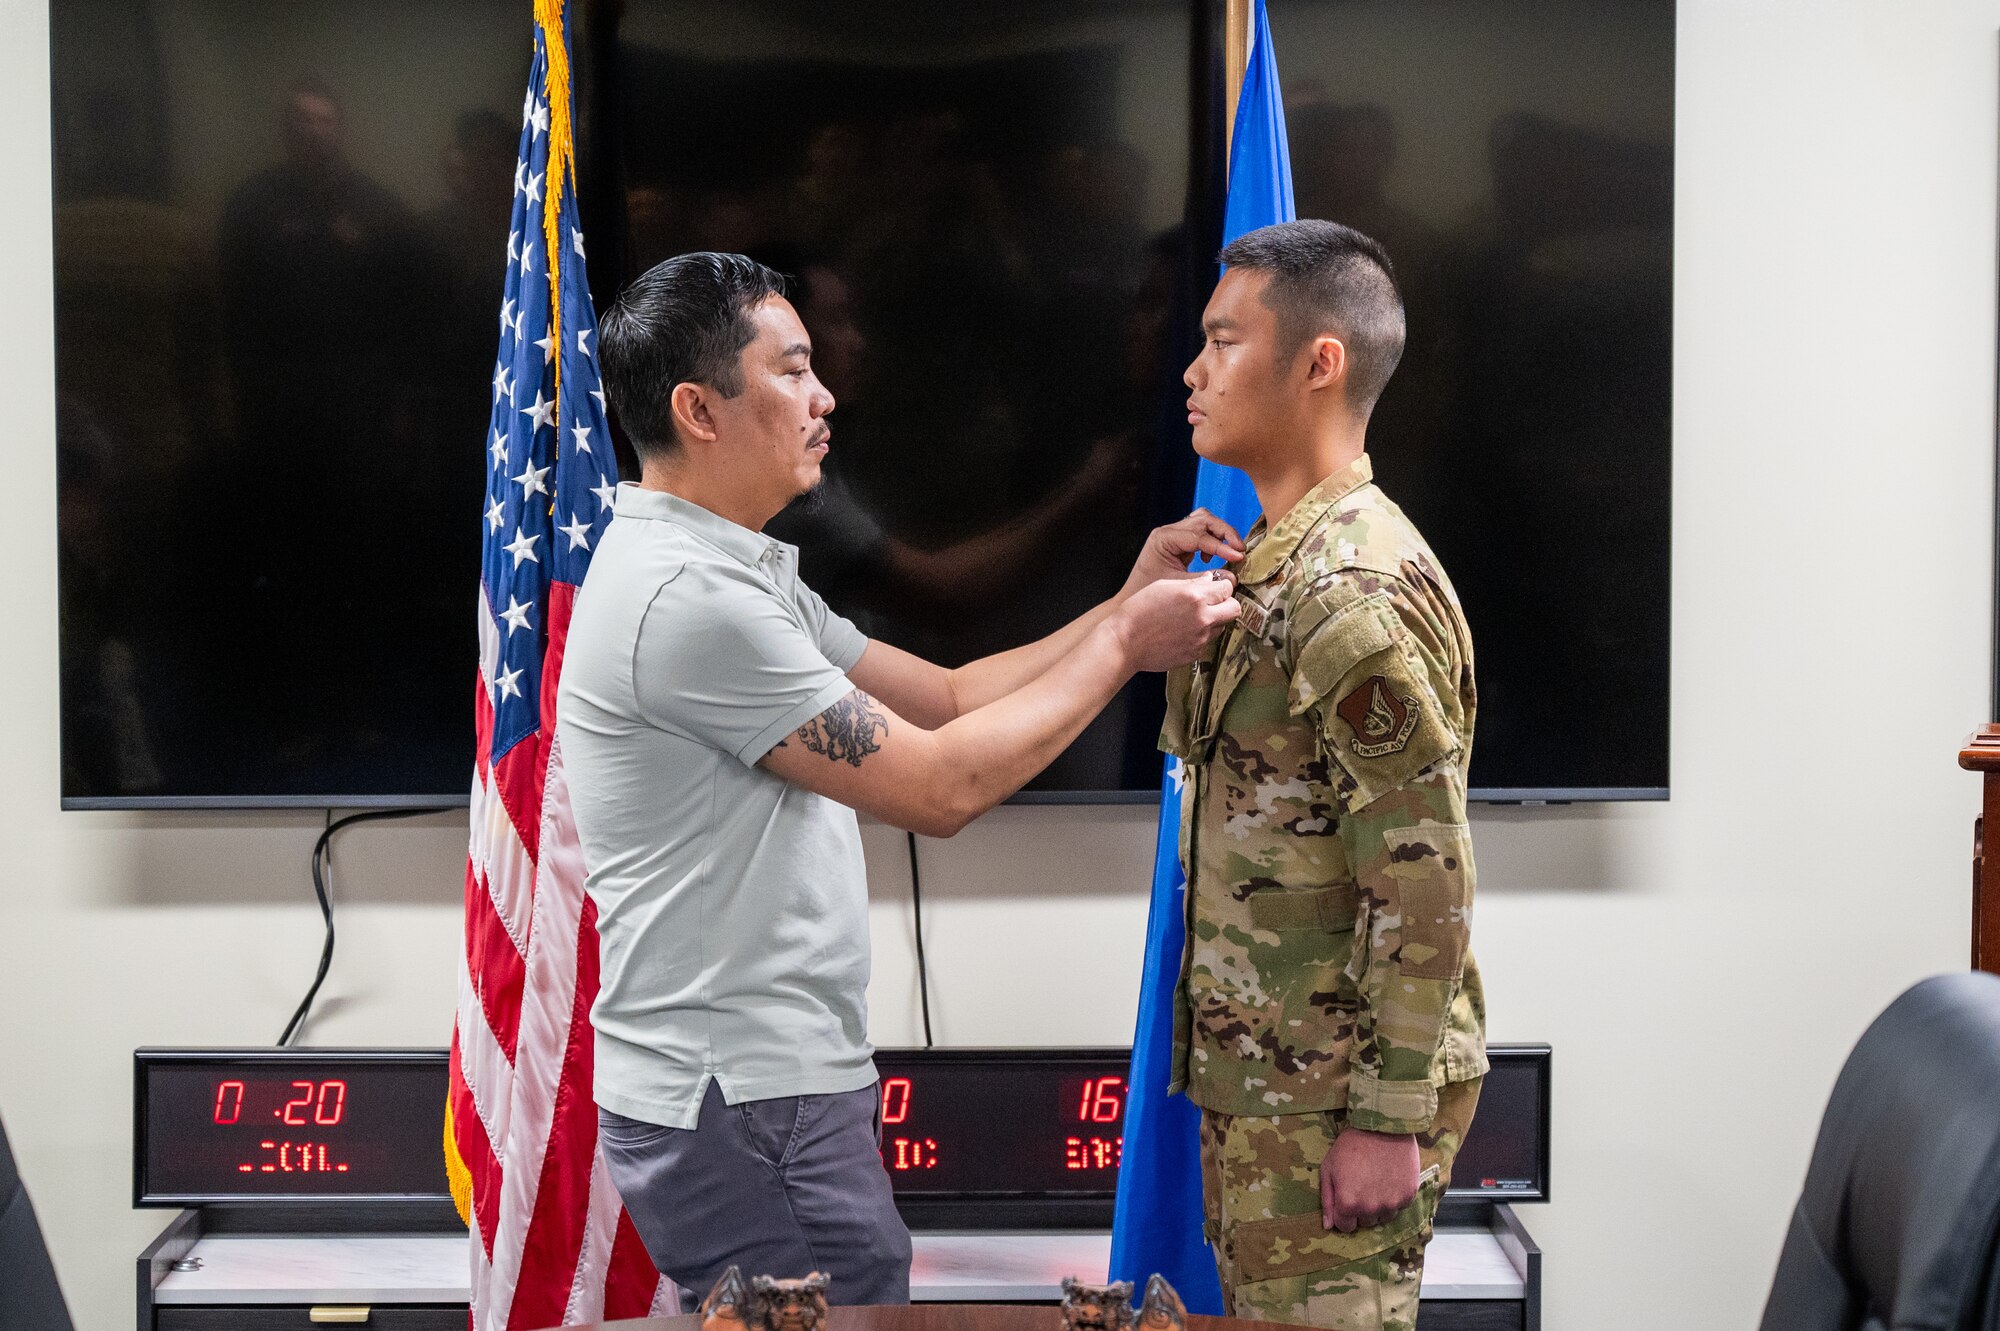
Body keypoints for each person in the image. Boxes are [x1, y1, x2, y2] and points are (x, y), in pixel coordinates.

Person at [557, 252, 1244, 1307]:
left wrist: (1121, 607)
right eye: (791, 370)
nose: (825, 394)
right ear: (698, 408)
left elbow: (952, 695)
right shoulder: (690, 599)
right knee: (853, 1302)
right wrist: (1123, 653)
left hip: (759, 1088)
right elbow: (938, 787)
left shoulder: (729, 568)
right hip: (740, 1093)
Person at [1165, 220, 1486, 1331]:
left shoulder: (1344, 589)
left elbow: (1425, 874)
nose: (1192, 370)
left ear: (1317, 362)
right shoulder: (1274, 558)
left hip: (1331, 1096)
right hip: (1274, 1083)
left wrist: (1387, 1114)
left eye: (1221, 340)